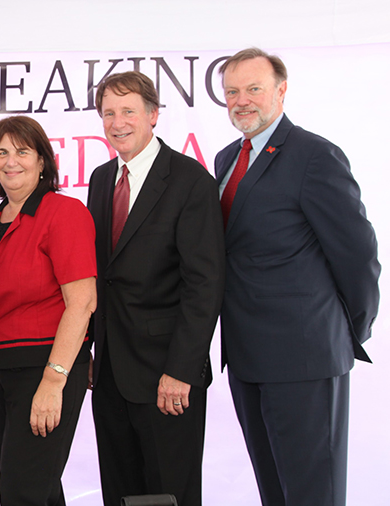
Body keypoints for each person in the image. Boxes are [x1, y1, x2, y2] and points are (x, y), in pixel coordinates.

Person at [216, 48, 380, 506]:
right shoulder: (227, 158)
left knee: (313, 495)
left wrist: (347, 332)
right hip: (247, 359)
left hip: (306, 358)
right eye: (232, 91)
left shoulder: (314, 155)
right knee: (275, 493)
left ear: (281, 91)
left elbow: (359, 256)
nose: (241, 100)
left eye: (253, 89)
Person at [85, 71, 225, 506]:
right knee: (121, 494)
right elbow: (101, 275)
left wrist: (182, 370)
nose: (117, 122)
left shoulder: (190, 180)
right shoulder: (101, 178)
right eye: (108, 113)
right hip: (109, 373)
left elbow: (204, 283)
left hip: (167, 376)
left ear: (153, 115)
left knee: (170, 494)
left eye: (128, 111)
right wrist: (89, 349)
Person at [0, 116, 97, 505]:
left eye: (22, 151)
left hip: (44, 370)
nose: (10, 161)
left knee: (22, 493)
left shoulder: (64, 212)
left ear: (43, 161)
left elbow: (82, 303)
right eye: (1, 152)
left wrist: (54, 381)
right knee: (35, 490)